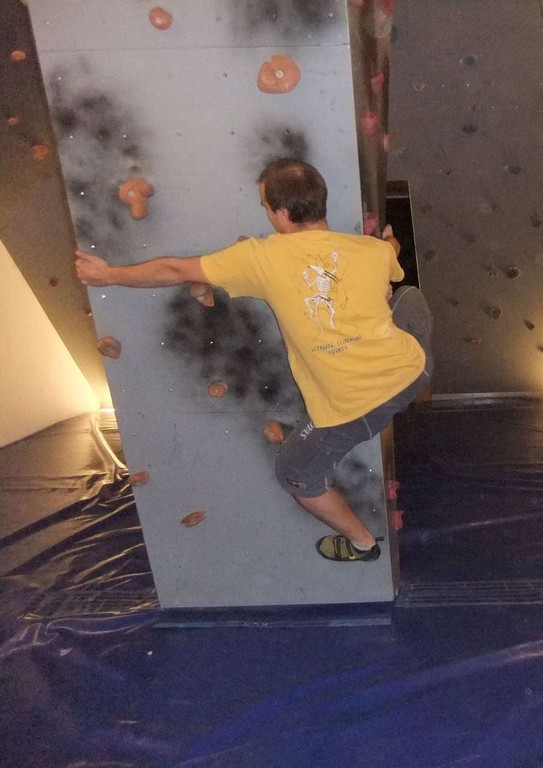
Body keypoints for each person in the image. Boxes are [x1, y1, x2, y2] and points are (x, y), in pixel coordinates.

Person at [75, 158, 432, 563]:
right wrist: (390, 242)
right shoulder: (370, 251)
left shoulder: (262, 257)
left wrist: (110, 275)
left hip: (357, 406)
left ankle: (364, 546)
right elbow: (391, 250)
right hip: (414, 368)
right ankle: (413, 334)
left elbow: (174, 268)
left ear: (280, 213)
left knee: (296, 475)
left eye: (265, 206)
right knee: (401, 299)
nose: (266, 213)